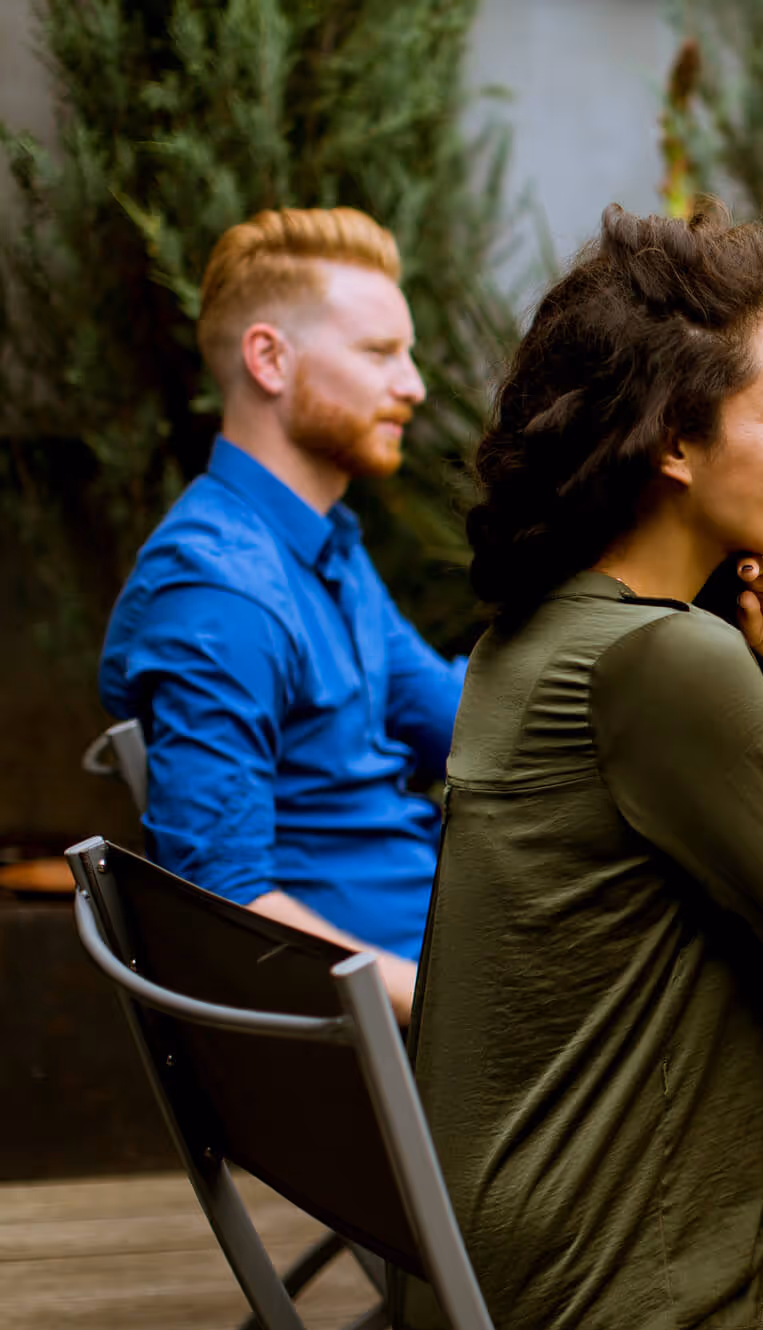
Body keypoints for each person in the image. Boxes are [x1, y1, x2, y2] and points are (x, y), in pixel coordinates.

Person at [399, 203, 763, 1330]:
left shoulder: (535, 631)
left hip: (485, 1257)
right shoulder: (665, 660)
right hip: (619, 1289)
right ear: (672, 444)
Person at [98, 206, 461, 1021]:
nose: (414, 385)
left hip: (460, 961)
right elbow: (227, 907)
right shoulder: (219, 592)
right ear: (269, 357)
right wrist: (453, 1010)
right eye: (378, 353)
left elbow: (462, 723)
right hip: (409, 1047)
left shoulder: (323, 547)